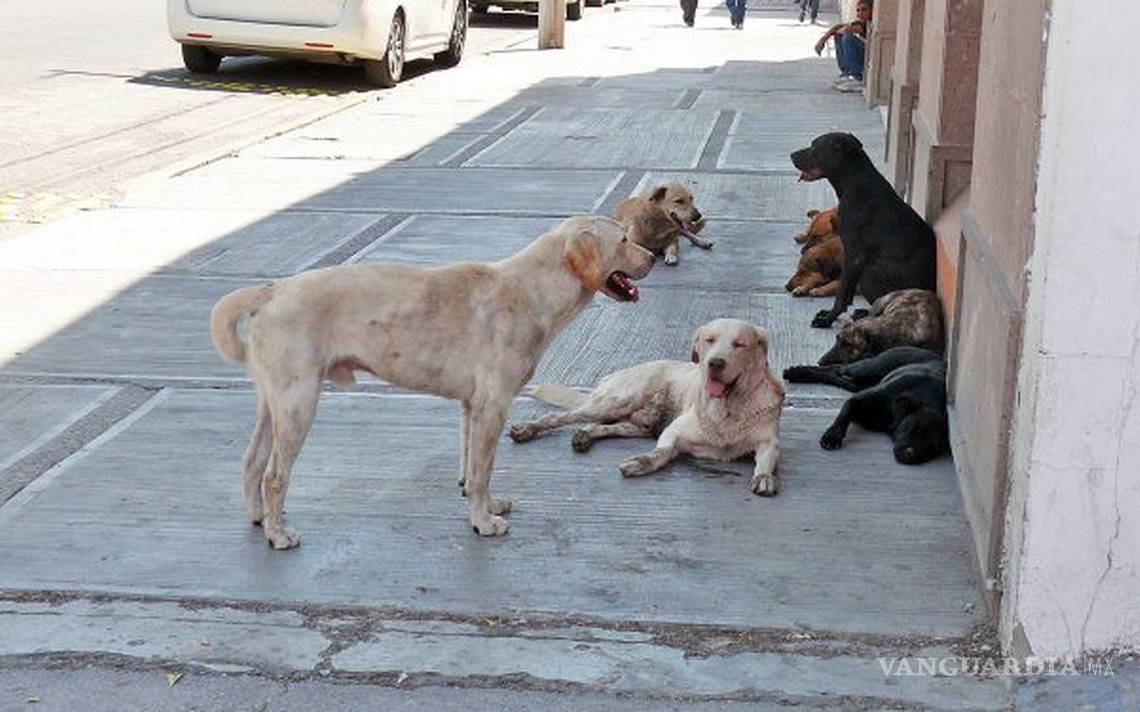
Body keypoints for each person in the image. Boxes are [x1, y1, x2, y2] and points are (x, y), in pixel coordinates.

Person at [814, 0, 872, 92]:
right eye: (858, 10)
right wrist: (823, 40)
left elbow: (847, 29)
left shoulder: (870, 23)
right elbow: (838, 26)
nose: (860, 13)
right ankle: (846, 73)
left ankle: (857, 76)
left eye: (864, 10)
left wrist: (842, 30)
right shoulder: (861, 22)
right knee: (839, 35)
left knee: (848, 37)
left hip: (870, 58)